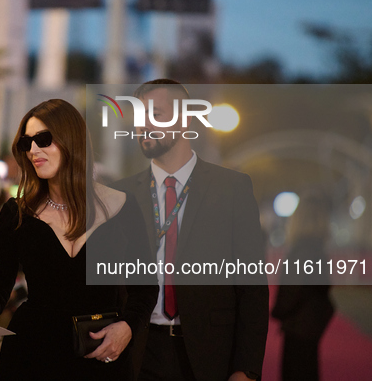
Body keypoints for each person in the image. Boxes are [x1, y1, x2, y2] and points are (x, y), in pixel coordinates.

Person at [0, 99, 158, 380]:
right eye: (27, 143)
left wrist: (127, 328)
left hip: (100, 357)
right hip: (31, 357)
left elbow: (145, 288)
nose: (33, 150)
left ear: (70, 140)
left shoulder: (123, 206)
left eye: (43, 140)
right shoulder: (17, 212)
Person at [112, 79, 269, 381]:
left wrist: (246, 369)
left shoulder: (232, 188)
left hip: (209, 353)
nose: (142, 126)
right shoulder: (120, 194)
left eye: (155, 115)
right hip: (137, 352)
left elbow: (252, 286)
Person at [271, 192, 334, 381]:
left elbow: (292, 289)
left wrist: (278, 311)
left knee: (296, 372)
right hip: (311, 324)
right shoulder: (317, 249)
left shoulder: (301, 251)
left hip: (298, 325)